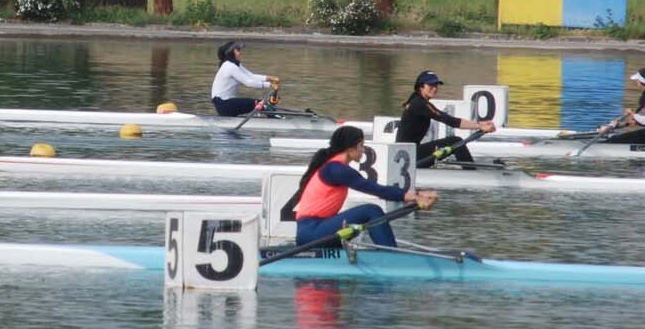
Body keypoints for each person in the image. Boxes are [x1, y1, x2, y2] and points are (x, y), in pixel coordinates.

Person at [289, 124, 437, 251]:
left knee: (359, 221)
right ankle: (391, 258)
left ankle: (385, 255)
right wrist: (415, 196)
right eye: (361, 145)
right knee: (371, 211)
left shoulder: (333, 166)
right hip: (311, 232)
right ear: (350, 148)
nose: (364, 150)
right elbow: (376, 190)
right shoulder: (336, 169)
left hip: (316, 229)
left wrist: (415, 196)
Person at [396, 70, 496, 166]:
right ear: (421, 87)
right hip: (408, 155)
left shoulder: (417, 100)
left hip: (407, 152)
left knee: (453, 142)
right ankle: (472, 173)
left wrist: (480, 125)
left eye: (436, 85)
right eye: (431, 85)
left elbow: (448, 119)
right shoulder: (419, 104)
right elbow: (450, 121)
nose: (435, 88)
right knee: (455, 141)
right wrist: (480, 126)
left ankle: (469, 169)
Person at [597, 68, 645, 144]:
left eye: (637, 81)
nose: (636, 83)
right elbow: (642, 120)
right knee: (614, 137)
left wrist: (632, 114)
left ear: (641, 82)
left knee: (612, 140)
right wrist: (620, 125)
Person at [210, 41, 280, 117]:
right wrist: (269, 85)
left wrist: (270, 78)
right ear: (231, 52)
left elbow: (251, 76)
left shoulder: (235, 65)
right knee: (261, 103)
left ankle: (273, 119)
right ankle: (280, 121)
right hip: (224, 104)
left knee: (264, 103)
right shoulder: (229, 66)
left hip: (227, 104)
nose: (240, 53)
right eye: (238, 50)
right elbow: (248, 82)